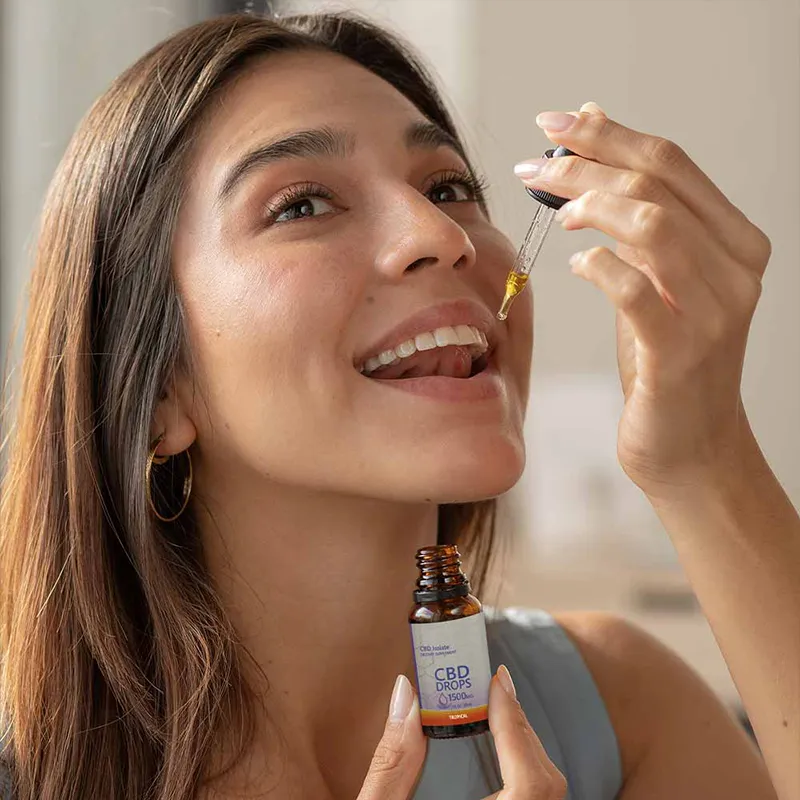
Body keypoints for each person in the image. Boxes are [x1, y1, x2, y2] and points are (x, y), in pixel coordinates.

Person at [0, 11, 797, 800]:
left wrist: (705, 459)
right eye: (303, 205)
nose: (439, 233)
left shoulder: (622, 713)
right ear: (158, 391)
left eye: (448, 187)